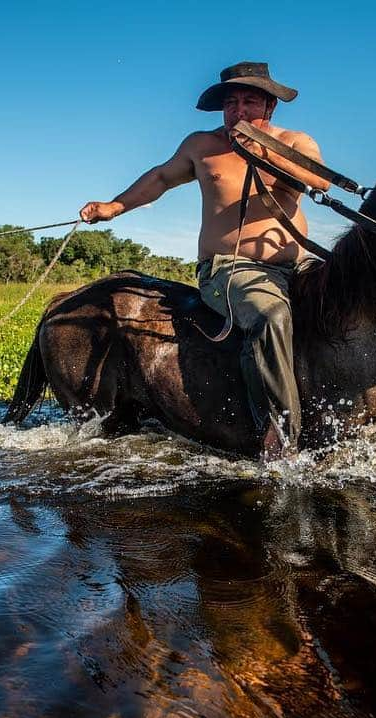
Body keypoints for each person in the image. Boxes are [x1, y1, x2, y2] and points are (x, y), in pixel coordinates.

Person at [80, 61, 330, 460]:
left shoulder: (296, 142)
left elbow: (317, 180)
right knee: (270, 316)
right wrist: (115, 206)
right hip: (231, 269)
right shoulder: (201, 145)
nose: (239, 111)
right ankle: (279, 435)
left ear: (270, 107)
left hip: (298, 266)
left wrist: (264, 154)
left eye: (250, 101)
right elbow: (160, 178)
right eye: (231, 103)